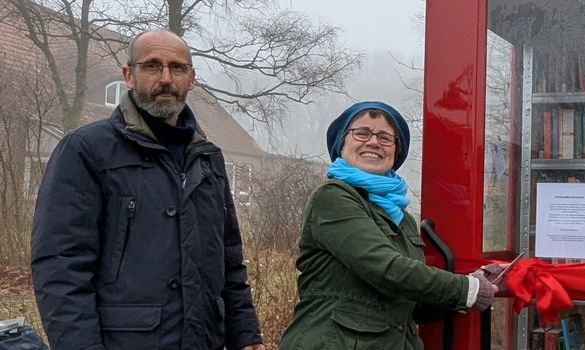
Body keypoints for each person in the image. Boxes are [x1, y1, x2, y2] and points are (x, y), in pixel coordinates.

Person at [30, 29, 264, 350]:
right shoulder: (86, 151)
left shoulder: (209, 159)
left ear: (192, 79)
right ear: (129, 75)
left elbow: (230, 263)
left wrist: (246, 334)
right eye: (152, 66)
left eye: (177, 67)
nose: (166, 78)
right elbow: (61, 267)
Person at [278, 101, 499, 350]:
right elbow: (385, 268)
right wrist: (466, 289)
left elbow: (410, 302)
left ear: (396, 152)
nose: (373, 142)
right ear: (342, 144)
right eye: (362, 133)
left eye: (385, 137)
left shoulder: (401, 217)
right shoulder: (333, 197)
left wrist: (474, 283)